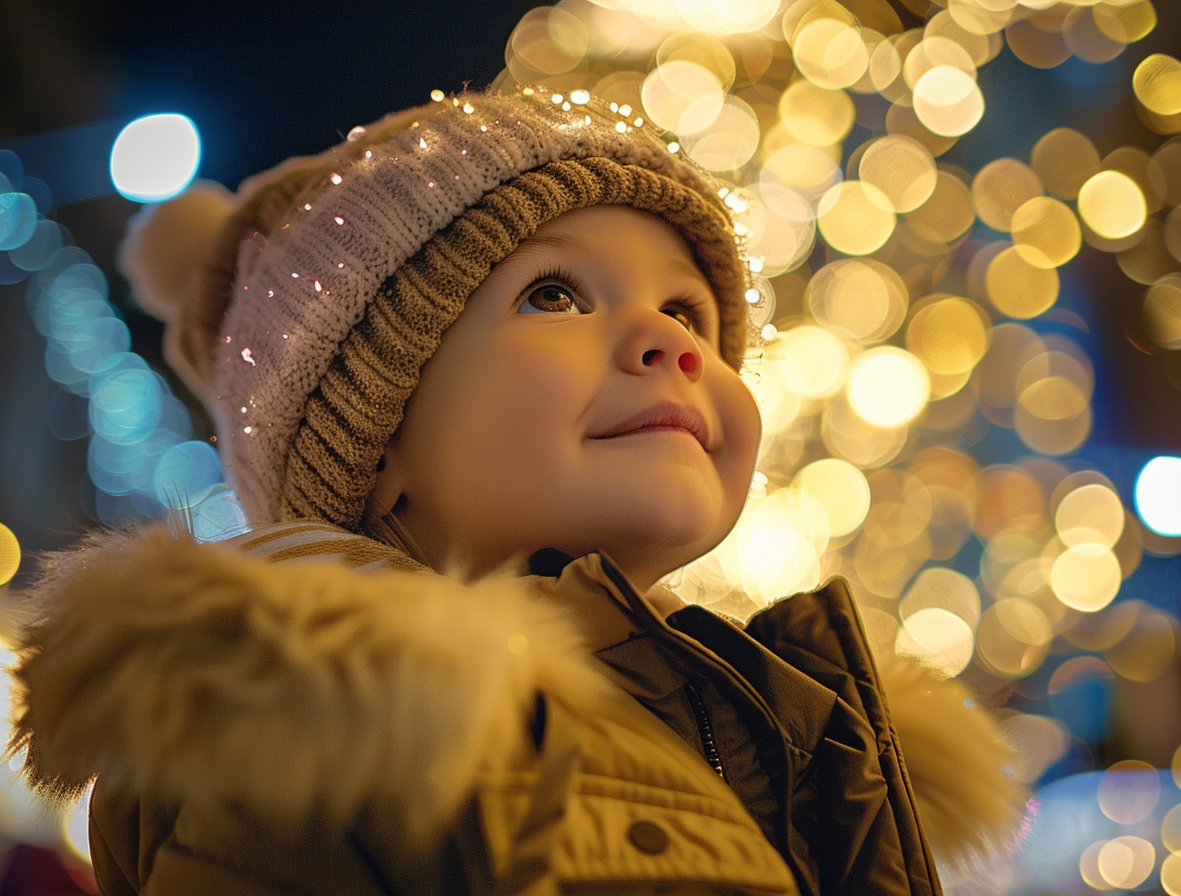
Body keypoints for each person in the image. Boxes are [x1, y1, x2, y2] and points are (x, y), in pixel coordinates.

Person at [8, 87, 1025, 895]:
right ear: (379, 438)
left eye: (689, 308)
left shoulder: (792, 728)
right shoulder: (312, 743)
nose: (671, 340)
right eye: (555, 293)